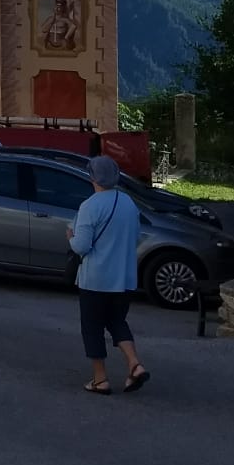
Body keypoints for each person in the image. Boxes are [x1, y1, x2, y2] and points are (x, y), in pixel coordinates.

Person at [66, 155, 149, 395]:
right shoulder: (128, 203)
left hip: (96, 279)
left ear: (92, 177)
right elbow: (135, 237)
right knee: (116, 321)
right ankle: (135, 364)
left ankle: (100, 379)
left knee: (92, 327)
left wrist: (70, 238)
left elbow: (81, 246)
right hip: (124, 278)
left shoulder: (90, 206)